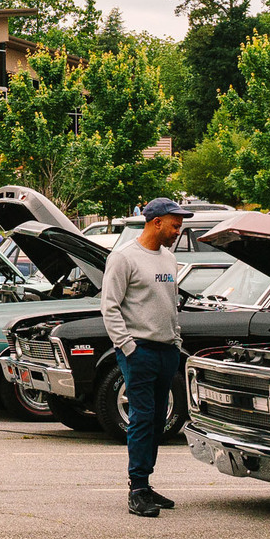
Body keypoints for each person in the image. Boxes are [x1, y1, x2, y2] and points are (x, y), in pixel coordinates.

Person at [102, 198, 194, 518]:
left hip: (167, 350)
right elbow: (110, 306)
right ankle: (137, 488)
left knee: (157, 421)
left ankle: (146, 482)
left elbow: (171, 305)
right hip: (139, 350)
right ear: (156, 222)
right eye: (175, 225)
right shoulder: (124, 257)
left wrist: (176, 340)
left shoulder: (169, 259)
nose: (178, 231)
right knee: (142, 418)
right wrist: (127, 346)